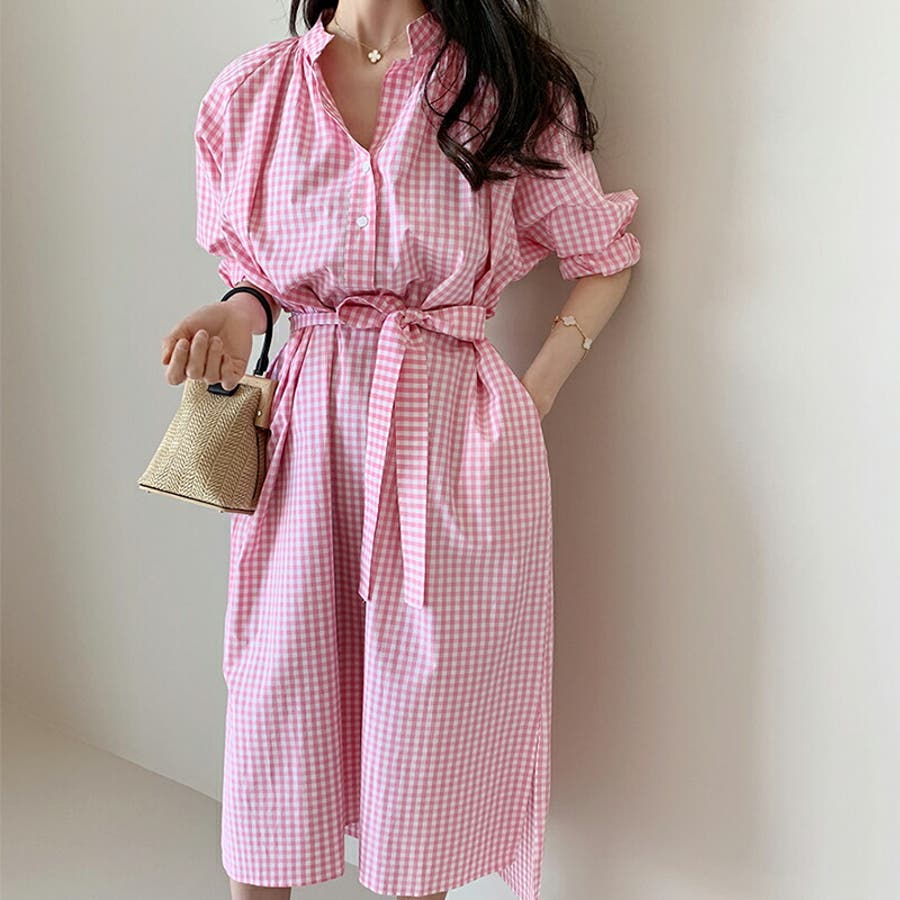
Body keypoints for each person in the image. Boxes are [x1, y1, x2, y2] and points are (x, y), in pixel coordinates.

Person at [160, 2, 641, 898]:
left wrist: (531, 395)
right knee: (278, 695)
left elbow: (603, 256)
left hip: (449, 440)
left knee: (424, 713)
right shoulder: (252, 93)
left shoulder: (510, 89)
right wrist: (235, 314)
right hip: (305, 438)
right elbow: (258, 280)